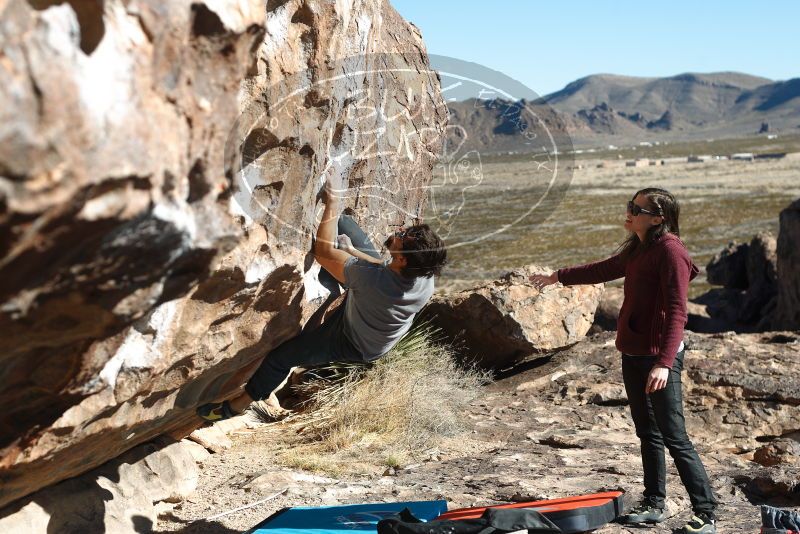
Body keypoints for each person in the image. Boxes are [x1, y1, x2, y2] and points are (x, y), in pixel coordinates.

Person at [529, 188, 717, 534]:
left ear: (657, 218)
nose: (628, 212)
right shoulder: (639, 247)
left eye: (636, 208)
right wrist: (558, 276)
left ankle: (706, 513)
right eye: (630, 205)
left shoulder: (671, 251)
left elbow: (678, 311)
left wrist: (663, 363)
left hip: (660, 357)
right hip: (633, 353)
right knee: (648, 433)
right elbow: (605, 268)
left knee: (675, 436)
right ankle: (654, 502)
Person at [197, 163, 447, 421]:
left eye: (402, 236)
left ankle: (234, 407)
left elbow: (324, 252)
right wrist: (351, 252)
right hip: (376, 315)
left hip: (353, 341)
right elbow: (382, 267)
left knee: (280, 359)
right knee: (345, 226)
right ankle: (348, 271)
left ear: (404, 261)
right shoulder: (424, 276)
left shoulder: (373, 282)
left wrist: (333, 203)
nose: (399, 231)